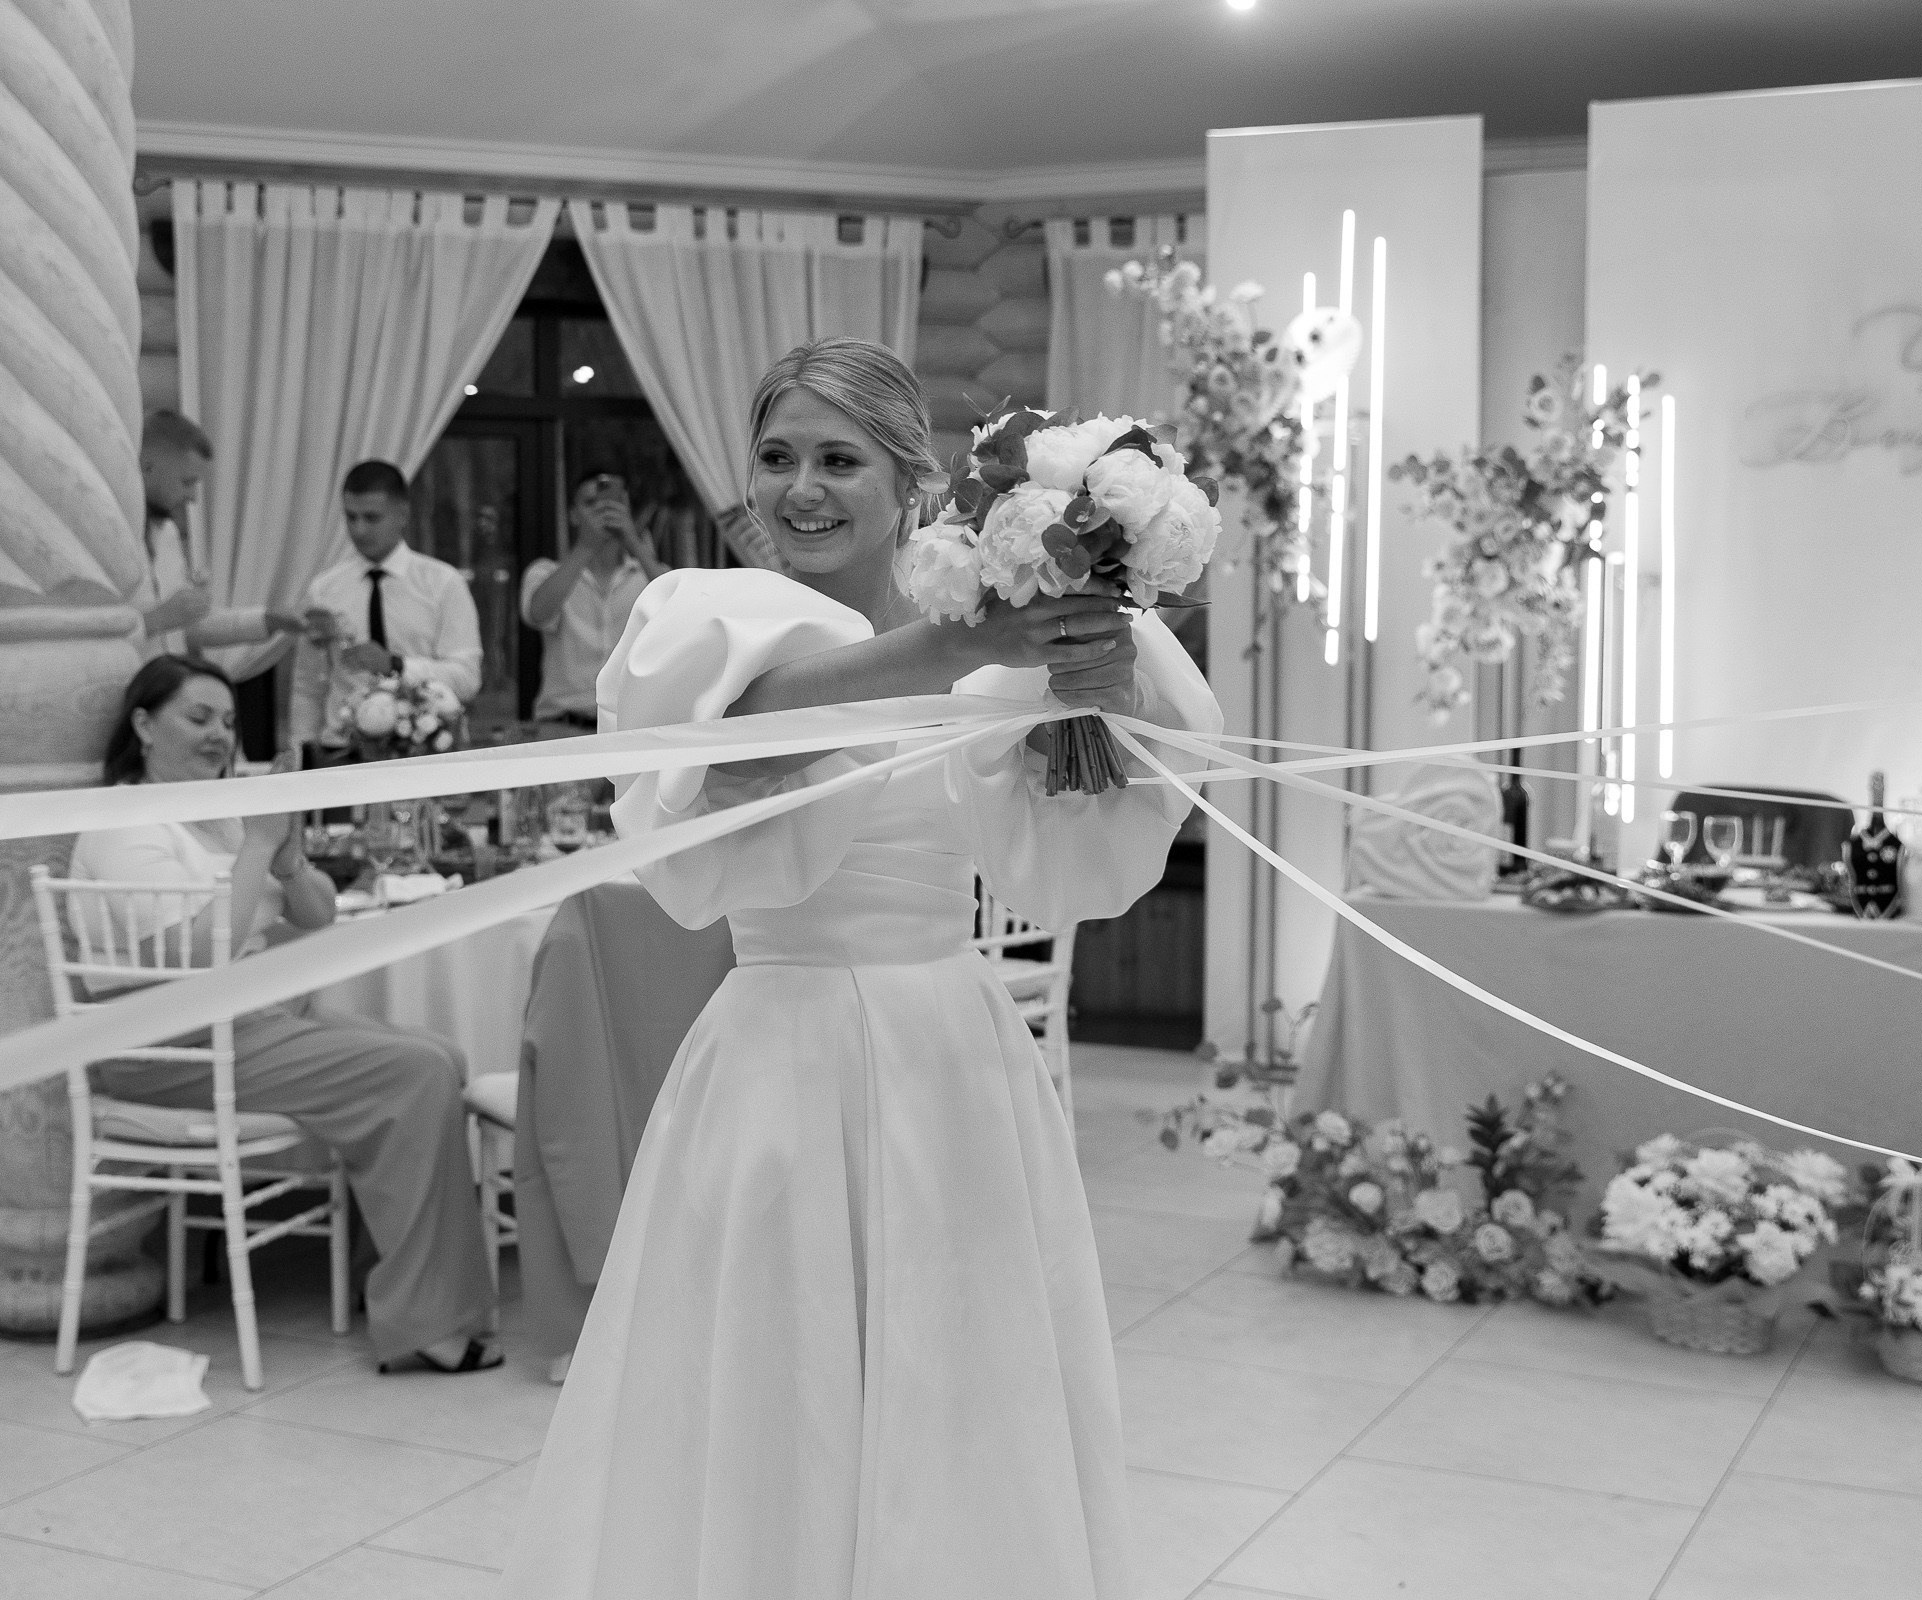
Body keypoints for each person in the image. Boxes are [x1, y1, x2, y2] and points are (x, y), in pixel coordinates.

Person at [503, 337, 1220, 1598]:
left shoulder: (995, 655)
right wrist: (965, 648)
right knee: (776, 1383)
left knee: (958, 1376)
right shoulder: (712, 619)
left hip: (951, 1051)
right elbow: (739, 739)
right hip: (778, 1059)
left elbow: (1075, 857)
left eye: (838, 459)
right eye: (778, 457)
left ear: (910, 485)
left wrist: (1101, 695)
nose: (802, 488)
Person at [71, 655, 503, 1374]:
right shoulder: (124, 821)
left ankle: (393, 1271)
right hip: (165, 1043)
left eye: (229, 722)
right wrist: (259, 844)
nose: (220, 736)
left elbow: (316, 917)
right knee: (416, 1072)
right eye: (199, 717)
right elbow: (190, 957)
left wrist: (288, 858)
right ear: (143, 725)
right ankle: (429, 1321)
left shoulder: (218, 818)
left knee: (441, 1058)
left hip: (250, 1023)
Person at [290, 460, 483, 747]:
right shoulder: (325, 589)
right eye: (351, 517)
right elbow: (308, 685)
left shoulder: (443, 583)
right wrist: (300, 755)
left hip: (423, 751)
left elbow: (467, 679)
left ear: (402, 514)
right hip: (342, 750)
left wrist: (395, 665)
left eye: (371, 518)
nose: (359, 530)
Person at [131, 410, 305, 657]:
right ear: (146, 468)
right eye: (187, 482)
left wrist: (270, 619)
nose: (193, 498)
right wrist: (156, 620)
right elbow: (83, 640)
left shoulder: (167, 534)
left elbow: (189, 629)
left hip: (171, 689)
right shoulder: (108, 539)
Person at [519, 468, 666, 737]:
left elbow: (680, 612)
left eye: (614, 503)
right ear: (573, 515)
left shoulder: (649, 575)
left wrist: (633, 539)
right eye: (590, 504)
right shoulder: (544, 571)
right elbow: (537, 615)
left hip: (634, 728)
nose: (603, 511)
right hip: (562, 727)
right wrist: (586, 546)